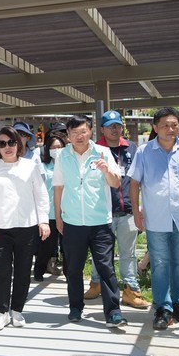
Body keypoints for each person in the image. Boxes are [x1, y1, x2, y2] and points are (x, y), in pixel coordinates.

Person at [128, 107, 179, 331]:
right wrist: (137, 212)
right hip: (156, 220)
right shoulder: (144, 152)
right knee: (160, 264)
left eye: (174, 124)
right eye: (165, 125)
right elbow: (134, 183)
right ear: (155, 127)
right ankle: (162, 308)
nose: (170, 129)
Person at [53, 114, 128, 328]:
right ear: (68, 135)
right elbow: (58, 188)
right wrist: (58, 217)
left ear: (91, 132)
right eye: (74, 133)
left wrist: (106, 170)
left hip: (100, 223)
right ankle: (75, 307)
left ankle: (113, 312)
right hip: (73, 222)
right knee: (73, 268)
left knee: (105, 267)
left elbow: (115, 183)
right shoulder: (62, 156)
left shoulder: (102, 152)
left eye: (83, 132)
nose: (79, 136)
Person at [0, 126, 50, 330]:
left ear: (18, 144)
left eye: (11, 142)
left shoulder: (30, 166)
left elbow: (41, 195)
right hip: (0, 228)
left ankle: (17, 310)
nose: (7, 147)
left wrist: (43, 221)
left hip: (26, 227)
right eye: (2, 143)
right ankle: (2, 312)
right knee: (2, 270)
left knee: (22, 270)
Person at [83, 111, 149, 309]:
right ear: (101, 129)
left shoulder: (132, 148)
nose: (115, 129)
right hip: (102, 213)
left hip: (128, 209)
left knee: (128, 254)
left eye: (118, 125)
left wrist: (140, 208)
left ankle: (131, 290)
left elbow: (140, 178)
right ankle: (96, 284)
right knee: (101, 253)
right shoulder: (93, 150)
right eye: (110, 125)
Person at [33, 132, 65, 282]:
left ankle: (69, 272)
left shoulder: (68, 164)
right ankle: (39, 271)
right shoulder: (43, 167)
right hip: (50, 212)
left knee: (67, 246)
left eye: (59, 147)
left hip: (68, 212)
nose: (56, 150)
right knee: (47, 245)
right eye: (53, 147)